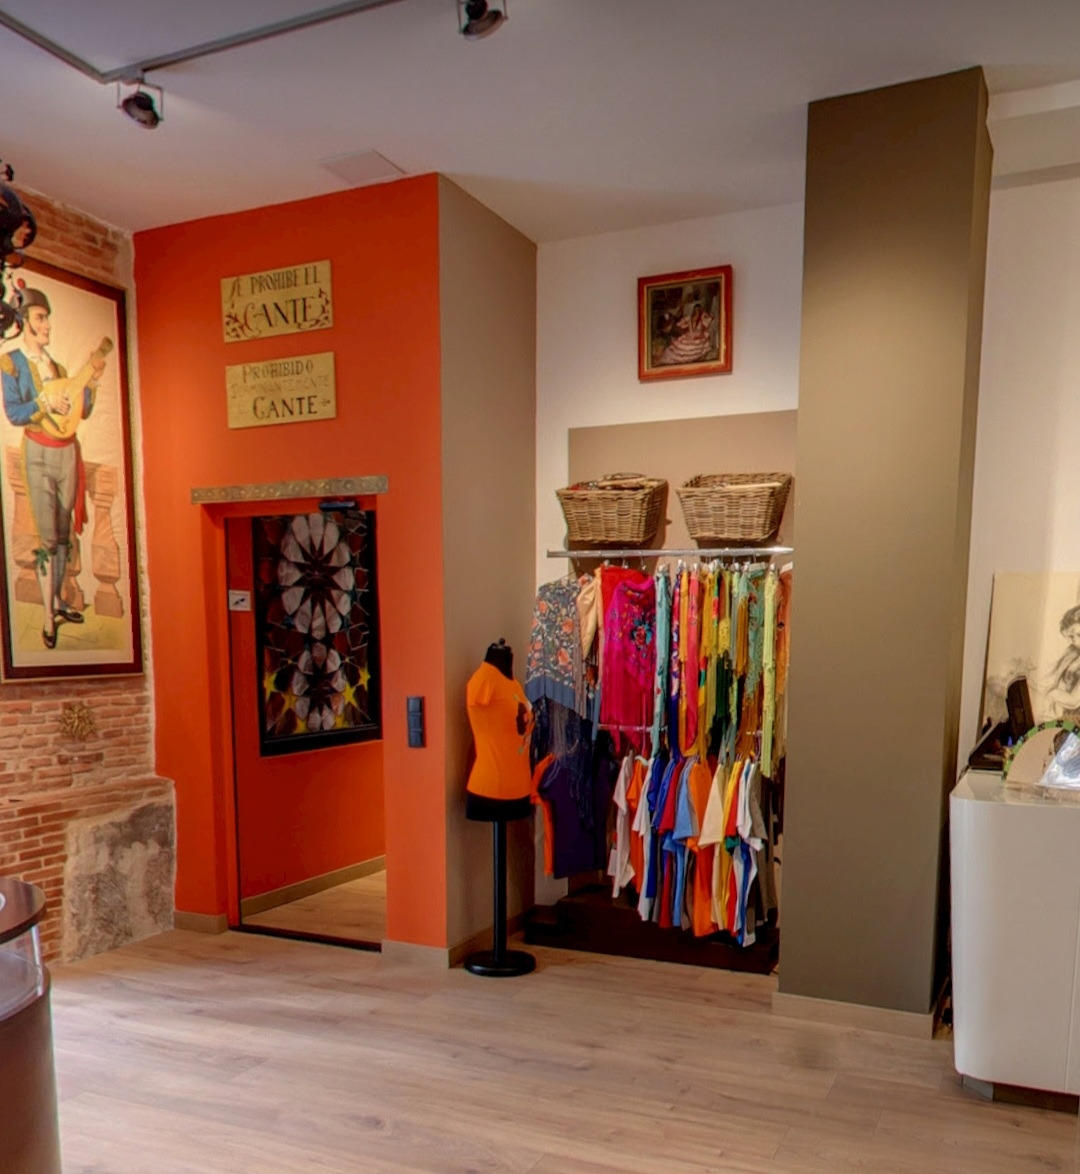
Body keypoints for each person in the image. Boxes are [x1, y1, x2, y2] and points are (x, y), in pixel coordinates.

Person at [0, 287, 104, 648]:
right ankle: (47, 615)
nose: (46, 325)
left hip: (66, 453)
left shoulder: (57, 368)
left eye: (47, 318)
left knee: (62, 536)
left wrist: (92, 380)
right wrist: (44, 402)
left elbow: (82, 410)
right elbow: (15, 413)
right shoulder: (11, 363)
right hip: (38, 454)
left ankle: (57, 600)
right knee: (47, 538)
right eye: (40, 318)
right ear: (24, 321)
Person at [1044, 604, 1080, 722]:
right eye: (1071, 637)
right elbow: (1056, 680)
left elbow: (1074, 701)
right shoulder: (1072, 652)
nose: (1075, 641)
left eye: (1078, 635)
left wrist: (1049, 694)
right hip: (1067, 717)